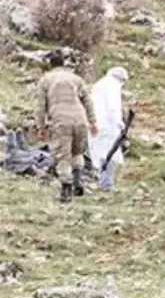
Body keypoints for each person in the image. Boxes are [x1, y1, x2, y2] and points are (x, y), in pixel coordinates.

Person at [36, 50, 98, 203]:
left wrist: (41, 127)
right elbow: (88, 101)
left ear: (50, 65)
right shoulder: (76, 79)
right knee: (77, 151)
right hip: (80, 118)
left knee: (63, 155)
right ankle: (78, 181)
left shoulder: (46, 80)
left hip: (60, 119)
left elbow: (40, 106)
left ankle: (66, 189)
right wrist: (93, 121)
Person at [89, 66, 129, 192]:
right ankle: (107, 184)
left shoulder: (98, 85)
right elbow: (113, 106)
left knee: (101, 155)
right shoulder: (113, 85)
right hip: (108, 126)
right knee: (110, 156)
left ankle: (103, 181)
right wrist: (119, 122)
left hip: (95, 125)